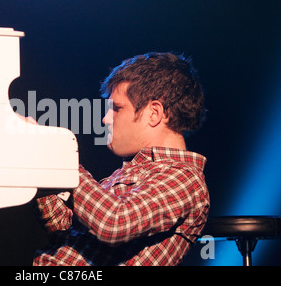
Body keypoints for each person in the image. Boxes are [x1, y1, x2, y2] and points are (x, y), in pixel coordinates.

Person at [32, 52, 210, 266]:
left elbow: (114, 223)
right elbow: (64, 230)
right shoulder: (131, 172)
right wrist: (40, 159)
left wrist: (60, 157)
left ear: (154, 113)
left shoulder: (184, 178)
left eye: (117, 108)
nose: (105, 118)